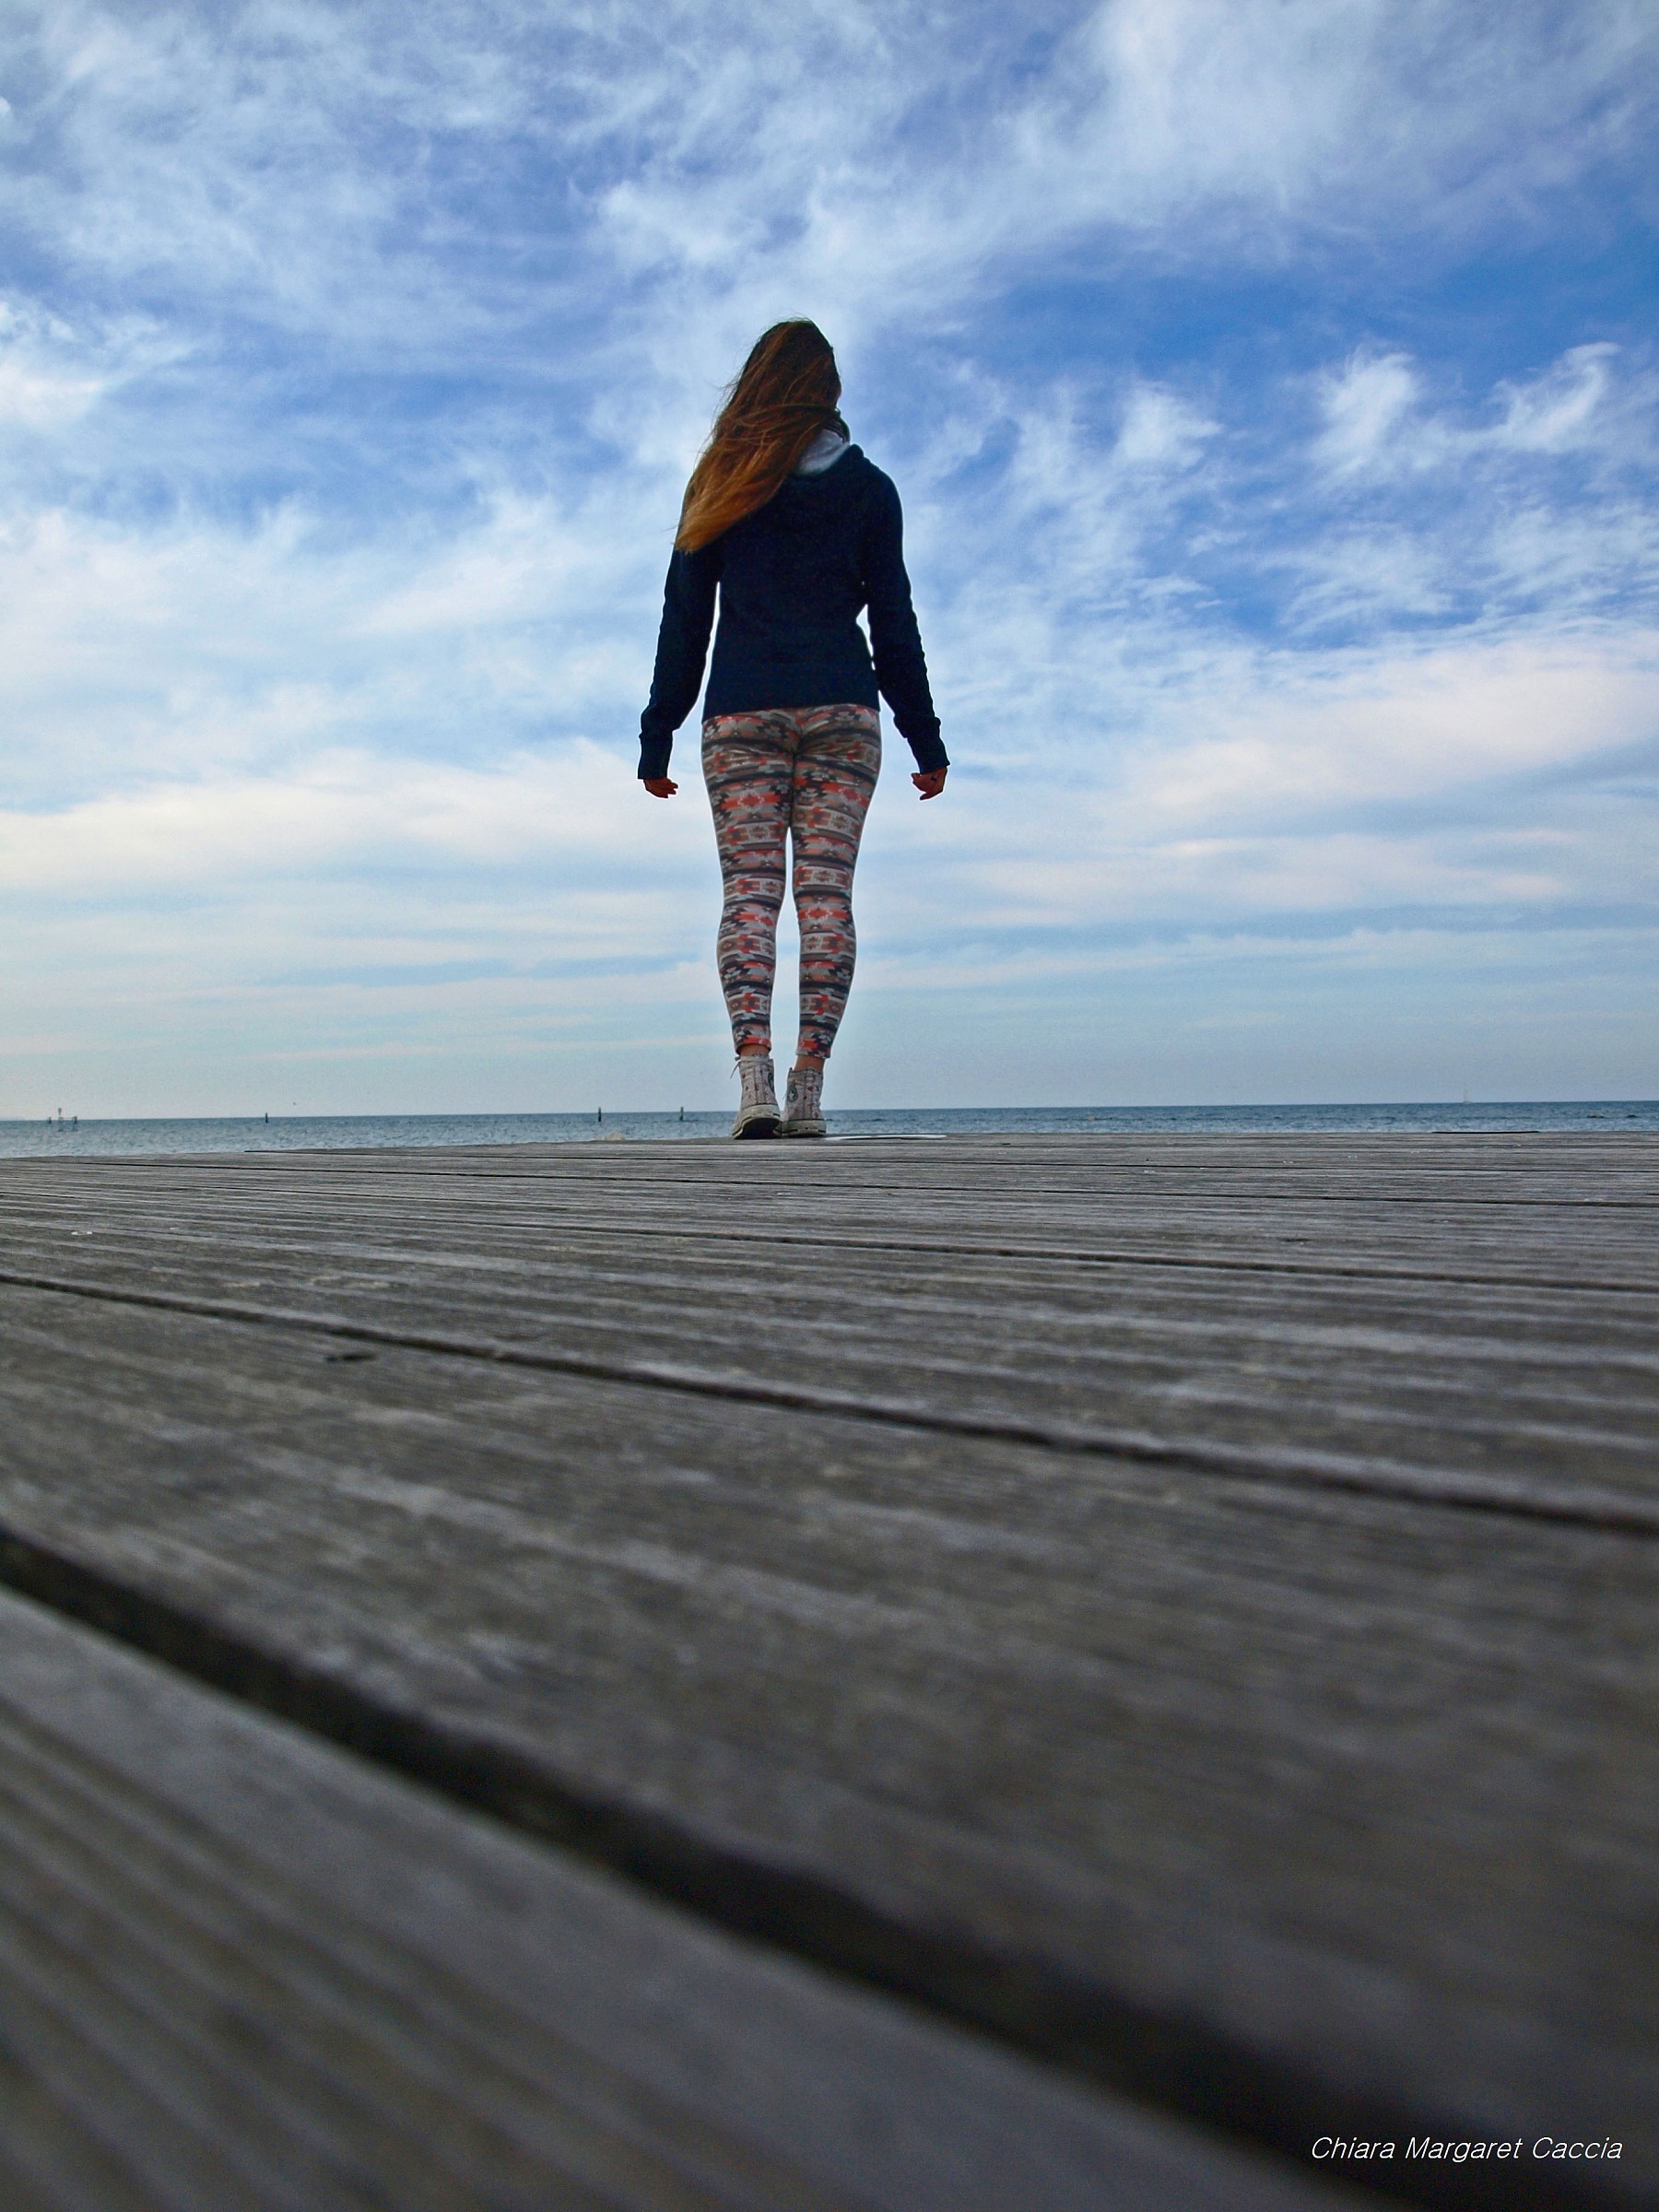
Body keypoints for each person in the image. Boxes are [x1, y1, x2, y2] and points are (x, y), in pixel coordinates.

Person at [638, 320, 947, 1139]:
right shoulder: (870, 488)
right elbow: (895, 623)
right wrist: (925, 738)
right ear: (828, 392)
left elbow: (684, 618)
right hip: (845, 715)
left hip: (740, 715)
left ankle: (754, 1084)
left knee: (749, 896)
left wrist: (658, 730)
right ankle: (808, 1089)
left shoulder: (721, 480)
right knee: (825, 899)